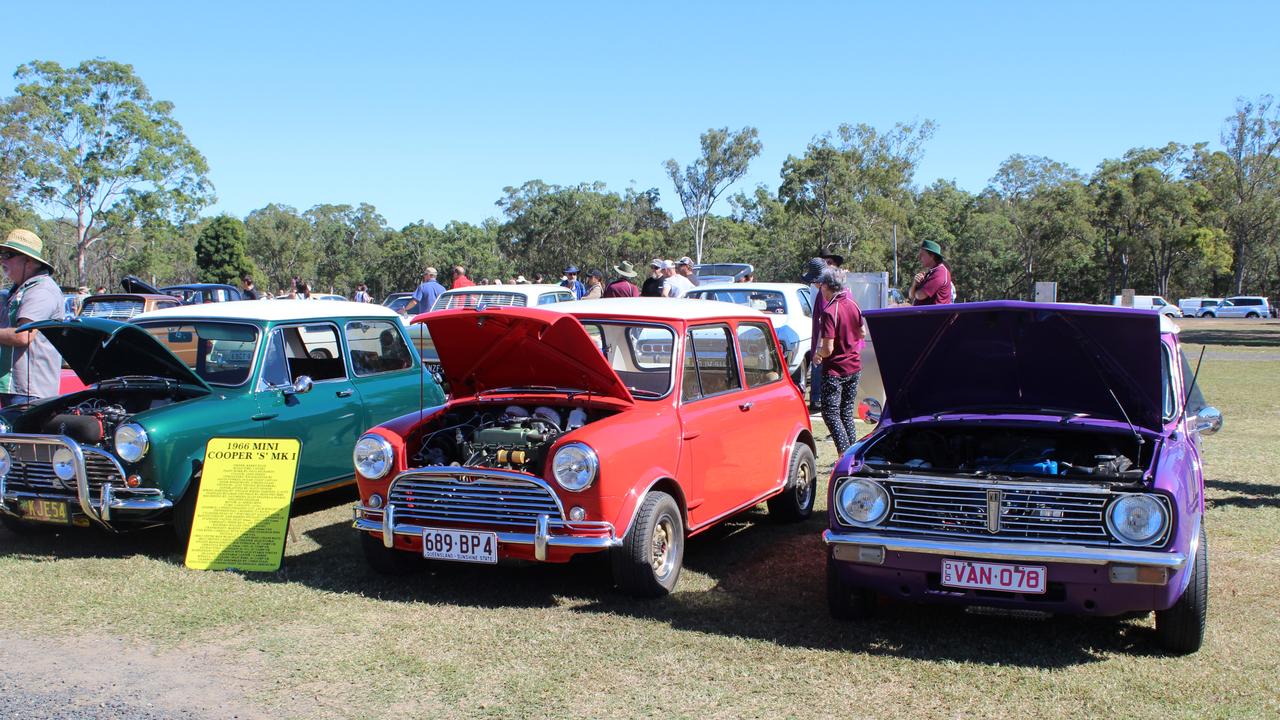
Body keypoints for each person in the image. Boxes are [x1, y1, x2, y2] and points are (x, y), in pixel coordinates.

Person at [0, 229, 66, 407]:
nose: (2, 260)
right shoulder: (17, 290)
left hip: (29, 393)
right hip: (13, 388)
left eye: (8, 255)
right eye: (1, 254)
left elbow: (23, 336)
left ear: (29, 262)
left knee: (23, 435)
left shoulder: (42, 290)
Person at [813, 267, 864, 455]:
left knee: (830, 413)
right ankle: (854, 454)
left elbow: (828, 349)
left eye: (821, 286)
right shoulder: (853, 304)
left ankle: (844, 454)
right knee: (846, 412)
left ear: (826, 286)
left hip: (835, 370)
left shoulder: (829, 311)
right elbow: (862, 332)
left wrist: (819, 354)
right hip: (854, 365)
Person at [801, 257, 828, 412]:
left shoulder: (824, 294)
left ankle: (817, 399)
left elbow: (824, 321)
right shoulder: (820, 293)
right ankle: (816, 399)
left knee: (820, 368)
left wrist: (819, 346)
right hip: (820, 337)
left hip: (823, 339)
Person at [909, 240, 953, 305]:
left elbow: (920, 295)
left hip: (935, 314)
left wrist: (914, 291)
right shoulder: (931, 272)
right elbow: (911, 296)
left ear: (932, 256)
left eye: (922, 255)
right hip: (925, 314)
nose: (919, 257)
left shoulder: (940, 273)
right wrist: (914, 284)